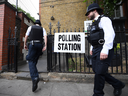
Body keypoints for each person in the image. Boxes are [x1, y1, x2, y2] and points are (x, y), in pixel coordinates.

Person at [85, 3, 125, 96]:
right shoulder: (94, 23)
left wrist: (105, 49)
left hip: (103, 49)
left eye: (88, 13)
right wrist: (92, 47)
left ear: (94, 10)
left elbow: (110, 35)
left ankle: (98, 94)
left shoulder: (104, 19)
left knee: (99, 73)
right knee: (98, 71)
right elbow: (94, 37)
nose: (87, 15)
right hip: (96, 49)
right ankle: (118, 84)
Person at [24, 20, 47, 92]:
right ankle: (35, 76)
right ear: (40, 24)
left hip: (33, 45)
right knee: (34, 60)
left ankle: (35, 78)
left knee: (30, 60)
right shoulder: (42, 28)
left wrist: (25, 44)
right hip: (40, 45)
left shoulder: (31, 27)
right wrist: (45, 45)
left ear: (35, 24)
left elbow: (26, 36)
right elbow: (45, 37)